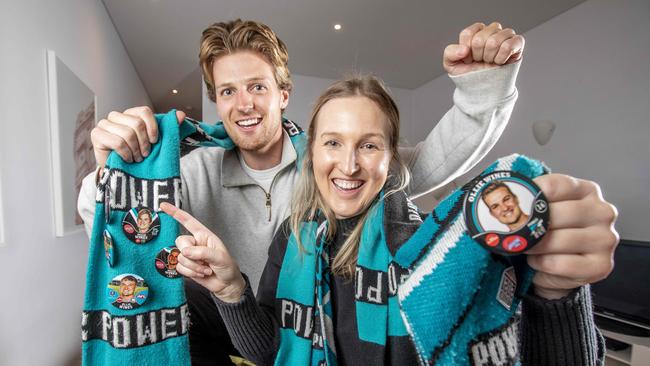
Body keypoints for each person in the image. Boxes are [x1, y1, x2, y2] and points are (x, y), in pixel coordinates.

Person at [79, 19, 527, 364]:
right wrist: (110, 170)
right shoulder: (191, 171)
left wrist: (481, 94)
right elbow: (113, 229)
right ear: (217, 101)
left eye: (258, 86)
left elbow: (429, 163)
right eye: (229, 92)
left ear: (283, 93)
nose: (245, 104)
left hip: (309, 328)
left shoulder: (329, 163)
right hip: (224, 324)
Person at [160, 75, 618, 365]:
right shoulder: (294, 236)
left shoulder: (423, 248)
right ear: (311, 152)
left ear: (391, 159)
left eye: (369, 145)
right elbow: (267, 352)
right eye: (333, 143)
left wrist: (558, 296)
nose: (349, 165)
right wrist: (230, 291)